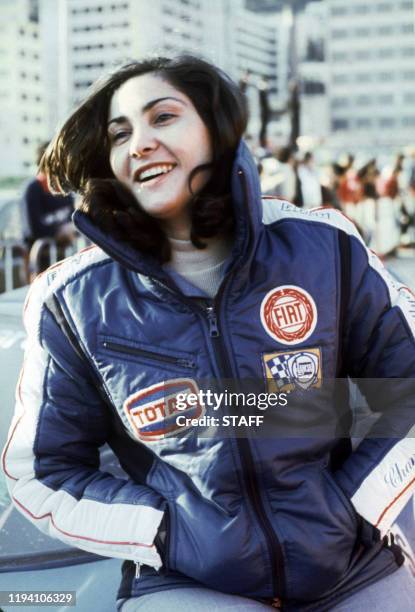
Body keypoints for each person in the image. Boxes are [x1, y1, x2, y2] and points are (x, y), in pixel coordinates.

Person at [2, 55, 415, 612]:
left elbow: (406, 389)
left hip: (353, 567)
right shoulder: (70, 301)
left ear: (216, 131)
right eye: (119, 134)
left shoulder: (326, 247)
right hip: (188, 584)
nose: (140, 143)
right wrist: (165, 532)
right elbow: (44, 469)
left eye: (163, 117)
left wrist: (352, 511)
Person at [21, 141, 75, 258]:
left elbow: (72, 217)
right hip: (40, 256)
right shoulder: (33, 188)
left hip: (64, 254)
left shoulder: (64, 187)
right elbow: (32, 230)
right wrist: (59, 232)